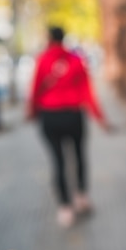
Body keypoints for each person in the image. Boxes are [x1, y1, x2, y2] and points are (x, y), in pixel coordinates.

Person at [27, 26, 110, 228]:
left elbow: (35, 89)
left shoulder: (43, 59)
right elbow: (87, 91)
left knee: (58, 161)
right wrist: (100, 117)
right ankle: (81, 195)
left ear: (48, 38)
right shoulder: (75, 59)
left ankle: (65, 207)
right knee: (79, 155)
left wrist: (31, 112)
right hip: (73, 116)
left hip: (50, 117)